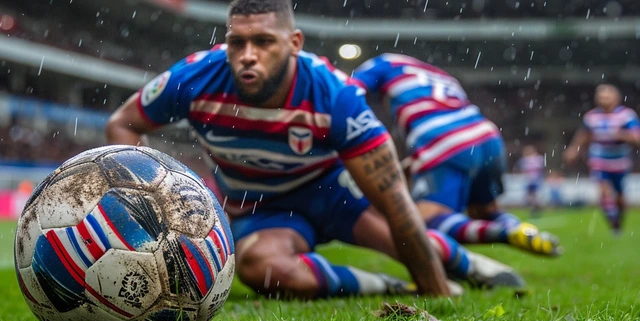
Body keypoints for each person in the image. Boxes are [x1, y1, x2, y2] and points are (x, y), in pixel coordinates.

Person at [106, 0, 522, 299]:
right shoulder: (195, 78)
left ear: (294, 43)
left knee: (405, 239)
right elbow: (122, 123)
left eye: (264, 42)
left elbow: (394, 200)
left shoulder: (335, 97)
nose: (247, 56)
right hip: (257, 206)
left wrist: (437, 292)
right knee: (261, 270)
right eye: (237, 43)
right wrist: (147, 208)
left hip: (332, 194)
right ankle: (386, 285)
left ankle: (469, 266)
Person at [352, 54, 562, 256]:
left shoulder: (384, 63)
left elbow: (348, 93)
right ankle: (523, 231)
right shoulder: (443, 77)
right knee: (485, 213)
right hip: (487, 135)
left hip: (442, 138)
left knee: (424, 222)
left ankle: (505, 234)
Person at [563, 83, 640, 235]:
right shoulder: (591, 117)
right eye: (600, 95)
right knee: (604, 191)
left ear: (616, 98)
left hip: (620, 159)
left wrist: (622, 135)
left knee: (619, 195)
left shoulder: (626, 115)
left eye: (607, 95)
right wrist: (573, 149)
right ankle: (612, 221)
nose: (603, 98)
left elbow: (636, 137)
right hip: (599, 158)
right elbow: (583, 135)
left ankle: (618, 220)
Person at [516, 145, 545, 216]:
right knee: (532, 196)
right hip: (534, 180)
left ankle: (535, 207)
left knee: (531, 196)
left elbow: (523, 169)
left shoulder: (526, 160)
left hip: (531, 180)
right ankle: (536, 207)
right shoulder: (539, 159)